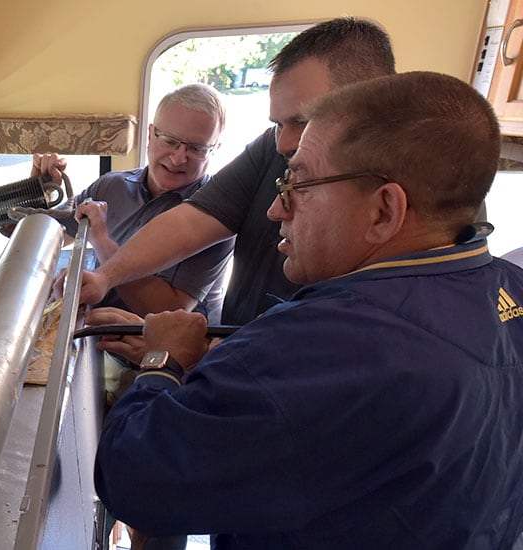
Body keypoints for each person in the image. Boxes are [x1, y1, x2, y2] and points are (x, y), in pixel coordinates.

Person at [94, 70, 523, 548]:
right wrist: (208, 360)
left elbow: (133, 478)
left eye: (296, 184)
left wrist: (163, 362)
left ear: (384, 210)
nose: (276, 210)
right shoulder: (512, 291)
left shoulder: (321, 343)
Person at [76, 17, 396, 326]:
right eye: (277, 124)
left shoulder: (391, 185)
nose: (283, 143)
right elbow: (191, 222)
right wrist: (106, 276)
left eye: (302, 121)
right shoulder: (270, 148)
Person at [34, 83, 233, 324]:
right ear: (150, 134)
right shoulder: (111, 186)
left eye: (197, 148)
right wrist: (39, 194)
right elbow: (53, 235)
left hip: (163, 353)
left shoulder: (216, 215)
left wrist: (103, 242)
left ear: (215, 150)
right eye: (170, 141)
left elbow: (170, 311)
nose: (179, 158)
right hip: (97, 332)